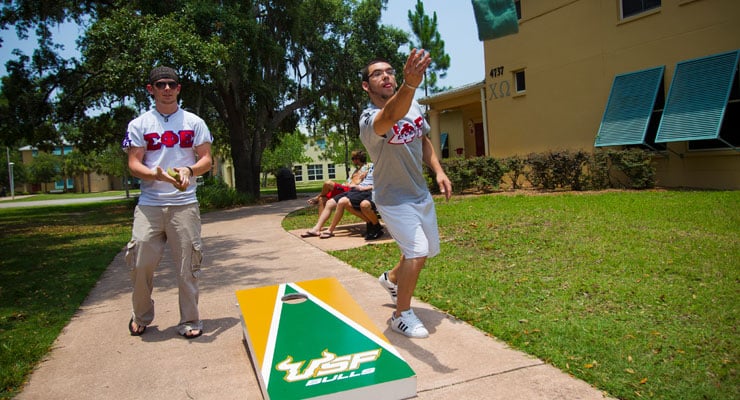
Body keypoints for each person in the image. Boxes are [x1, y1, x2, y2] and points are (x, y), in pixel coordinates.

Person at [359, 50, 452, 338]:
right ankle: (401, 315)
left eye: (389, 70)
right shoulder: (368, 119)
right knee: (417, 251)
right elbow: (390, 115)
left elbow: (423, 140)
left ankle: (391, 279)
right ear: (366, 86)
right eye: (377, 73)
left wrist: (438, 170)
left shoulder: (412, 108)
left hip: (420, 194)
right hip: (392, 198)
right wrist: (409, 85)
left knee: (425, 250)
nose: (385, 75)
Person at [121, 66, 213, 339]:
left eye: (172, 84)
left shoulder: (194, 122)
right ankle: (141, 315)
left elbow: (206, 159)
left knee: (188, 267)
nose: (167, 89)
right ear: (151, 89)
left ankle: (190, 320)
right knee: (139, 263)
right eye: (160, 84)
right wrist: (154, 175)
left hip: (184, 204)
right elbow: (134, 163)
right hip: (150, 205)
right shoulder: (139, 124)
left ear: (179, 88)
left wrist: (190, 171)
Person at [301, 167, 376, 239]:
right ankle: (316, 228)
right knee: (329, 202)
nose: (353, 160)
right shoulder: (371, 167)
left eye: (355, 158)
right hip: (354, 189)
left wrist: (361, 186)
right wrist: (365, 174)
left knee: (341, 201)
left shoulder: (373, 166)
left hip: (363, 191)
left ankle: (330, 230)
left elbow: (382, 184)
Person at [320, 166, 383, 241]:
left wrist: (363, 188)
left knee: (346, 202)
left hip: (368, 191)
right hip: (359, 190)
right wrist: (365, 175)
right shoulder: (373, 165)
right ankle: (373, 224)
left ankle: (330, 230)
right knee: (342, 201)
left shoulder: (385, 166)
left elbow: (386, 183)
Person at [307, 150, 371, 215]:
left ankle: (317, 197)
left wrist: (367, 172)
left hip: (351, 190)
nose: (352, 161)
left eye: (352, 159)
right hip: (344, 188)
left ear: (357, 159)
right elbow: (349, 181)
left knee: (328, 183)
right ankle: (320, 224)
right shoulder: (356, 170)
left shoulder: (368, 166)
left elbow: (373, 169)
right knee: (322, 199)